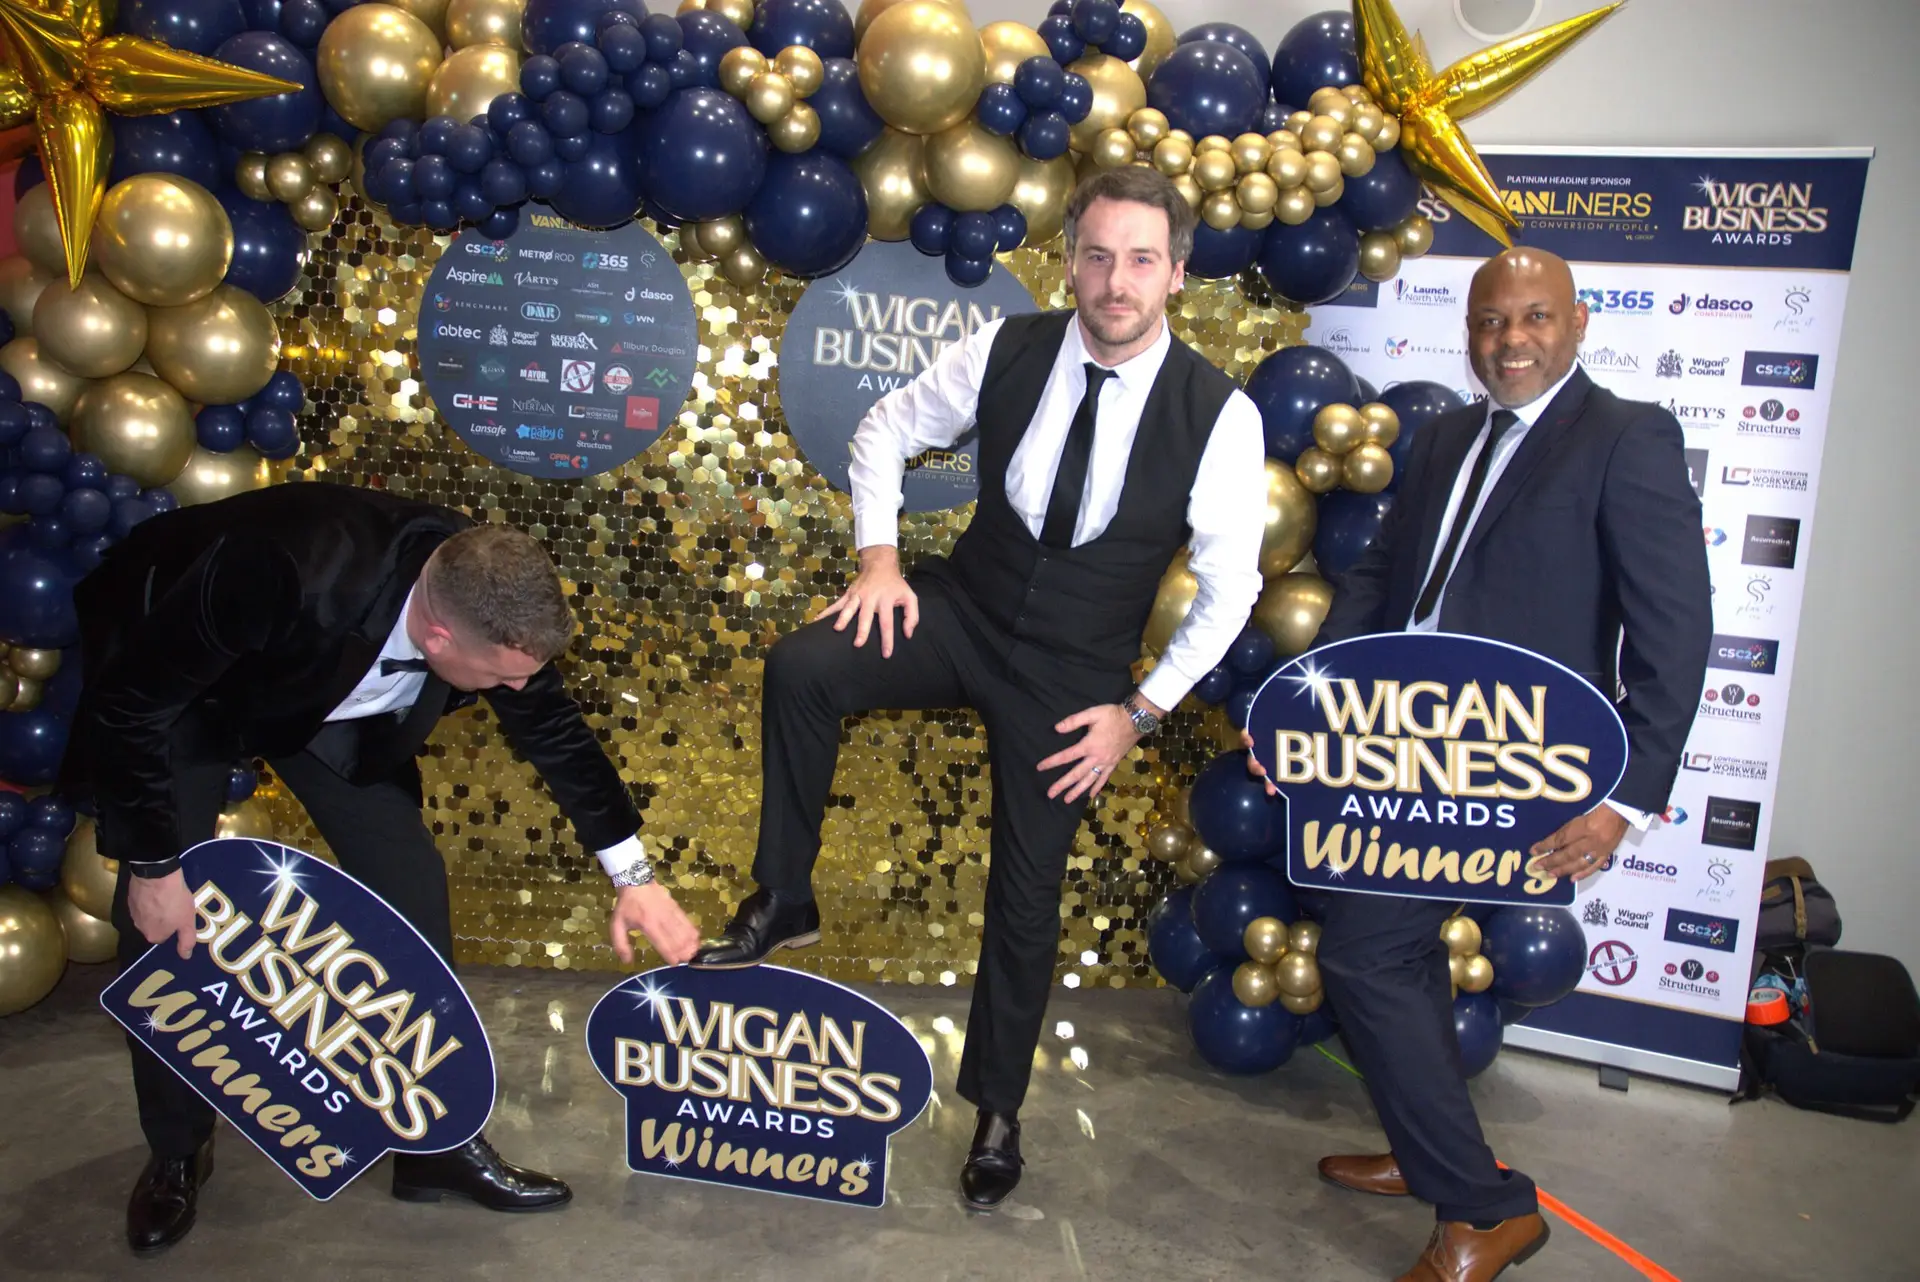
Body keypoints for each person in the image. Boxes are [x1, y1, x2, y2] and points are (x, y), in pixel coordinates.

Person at [690, 167, 1267, 1209]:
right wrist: (879, 559)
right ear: (1069, 262)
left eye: (1141, 260)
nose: (1117, 281)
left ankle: (998, 1108)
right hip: (964, 611)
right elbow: (883, 429)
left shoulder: (1219, 415)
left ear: (1177, 274)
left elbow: (1231, 590)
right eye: (1098, 255)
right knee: (805, 664)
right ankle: (784, 896)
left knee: (1027, 891)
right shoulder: (1007, 347)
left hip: (1074, 672)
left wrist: (1139, 714)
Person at [60, 483, 702, 1255]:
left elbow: (555, 732)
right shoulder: (275, 572)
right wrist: (155, 864)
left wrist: (636, 879)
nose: (516, 690)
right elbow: (131, 704)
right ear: (438, 636)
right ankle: (177, 1150)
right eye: (500, 677)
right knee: (161, 921)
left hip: (328, 698)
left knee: (410, 890)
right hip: (184, 689)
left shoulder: (482, 583)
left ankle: (432, 1143)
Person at [1269, 247, 1712, 1282]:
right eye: (1490, 321)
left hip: (1517, 766)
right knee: (1398, 954)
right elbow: (1381, 580)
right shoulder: (1444, 437)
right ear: (1468, 332)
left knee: (1367, 954)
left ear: (1578, 322)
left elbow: (1674, 634)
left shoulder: (1628, 436)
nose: (1511, 340)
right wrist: (1314, 708)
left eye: (1535, 317)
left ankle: (1486, 1210)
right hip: (1395, 747)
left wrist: (1626, 801)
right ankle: (1430, 1148)